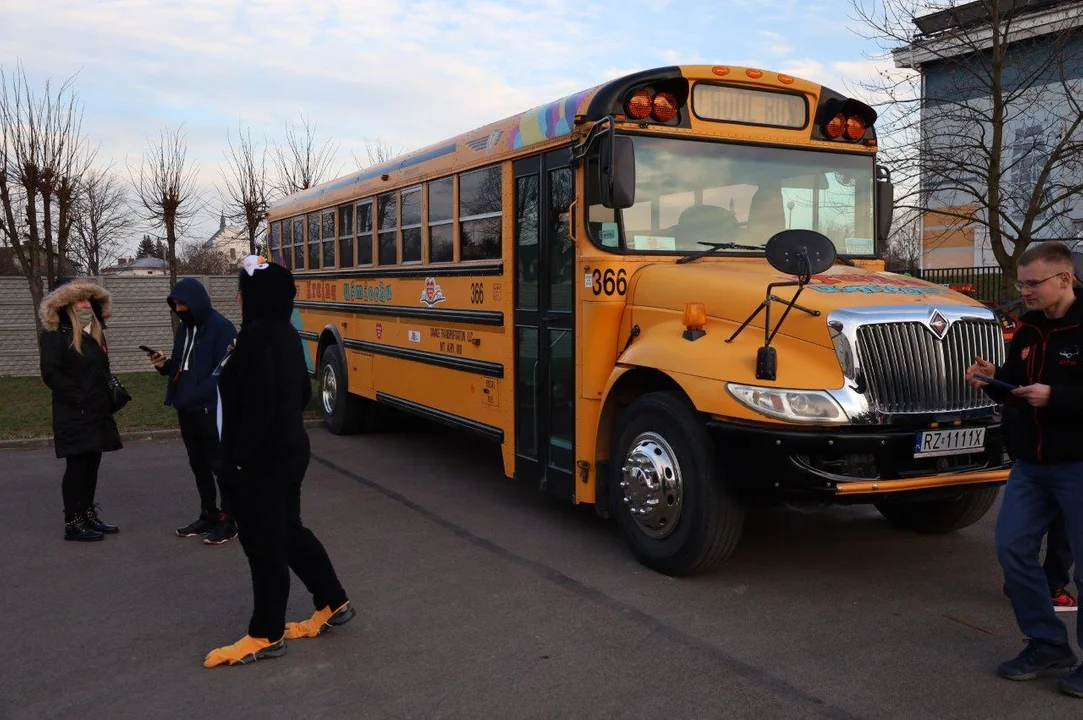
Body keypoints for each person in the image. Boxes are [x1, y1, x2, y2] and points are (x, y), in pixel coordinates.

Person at [203, 255, 353, 668]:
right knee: (289, 531)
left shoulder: (253, 338)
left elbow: (260, 406)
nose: (237, 296)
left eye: (242, 290)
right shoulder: (288, 334)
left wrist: (237, 461)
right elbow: (301, 395)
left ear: (255, 296)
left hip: (260, 462)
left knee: (265, 546)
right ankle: (332, 601)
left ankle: (264, 634)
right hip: (289, 451)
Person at [966, 240, 1083, 698]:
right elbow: (1017, 388)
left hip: (1077, 465)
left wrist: (1057, 397)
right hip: (1031, 466)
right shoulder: (1030, 330)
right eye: (1022, 282)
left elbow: (1049, 393)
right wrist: (992, 379)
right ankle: (1047, 643)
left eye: (1033, 283)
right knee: (1013, 549)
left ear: (1064, 279)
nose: (1025, 291)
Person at [149, 278, 237, 544]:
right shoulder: (184, 330)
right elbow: (181, 364)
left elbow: (223, 371)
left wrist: (196, 396)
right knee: (198, 464)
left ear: (197, 302)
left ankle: (229, 519)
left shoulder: (221, 328)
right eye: (175, 305)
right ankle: (208, 514)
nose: (179, 309)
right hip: (186, 409)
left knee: (219, 465)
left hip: (210, 410)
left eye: (183, 304)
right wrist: (164, 365)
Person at [38, 277, 123, 542]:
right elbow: (51, 374)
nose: (86, 304)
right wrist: (81, 397)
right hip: (74, 412)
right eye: (80, 300)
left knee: (92, 465)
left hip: (96, 411)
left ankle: (87, 515)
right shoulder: (55, 336)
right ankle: (72, 523)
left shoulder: (93, 332)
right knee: (77, 467)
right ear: (66, 304)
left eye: (88, 300)